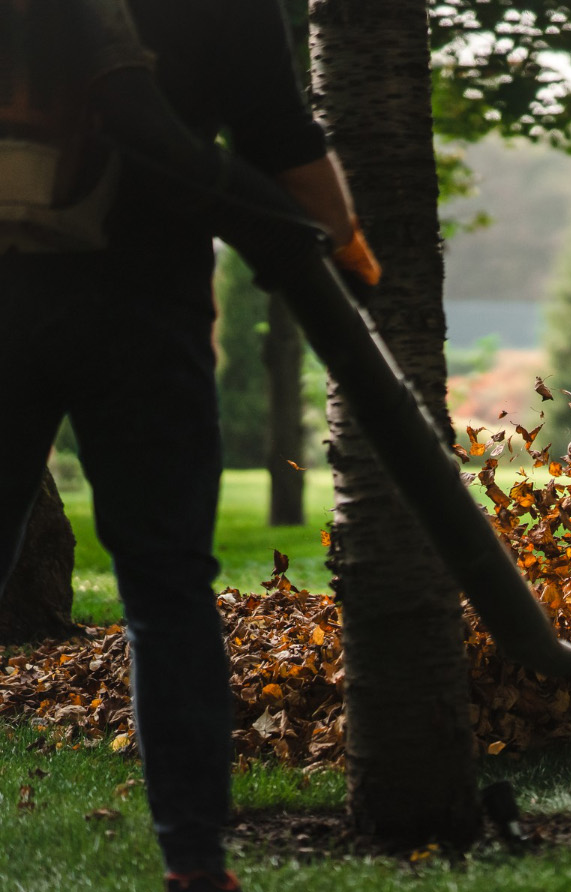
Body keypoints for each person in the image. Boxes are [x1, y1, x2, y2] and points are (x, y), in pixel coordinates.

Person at [0, 2, 375, 889]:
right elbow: (278, 138)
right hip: (145, 320)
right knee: (167, 596)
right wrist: (350, 249)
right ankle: (198, 866)